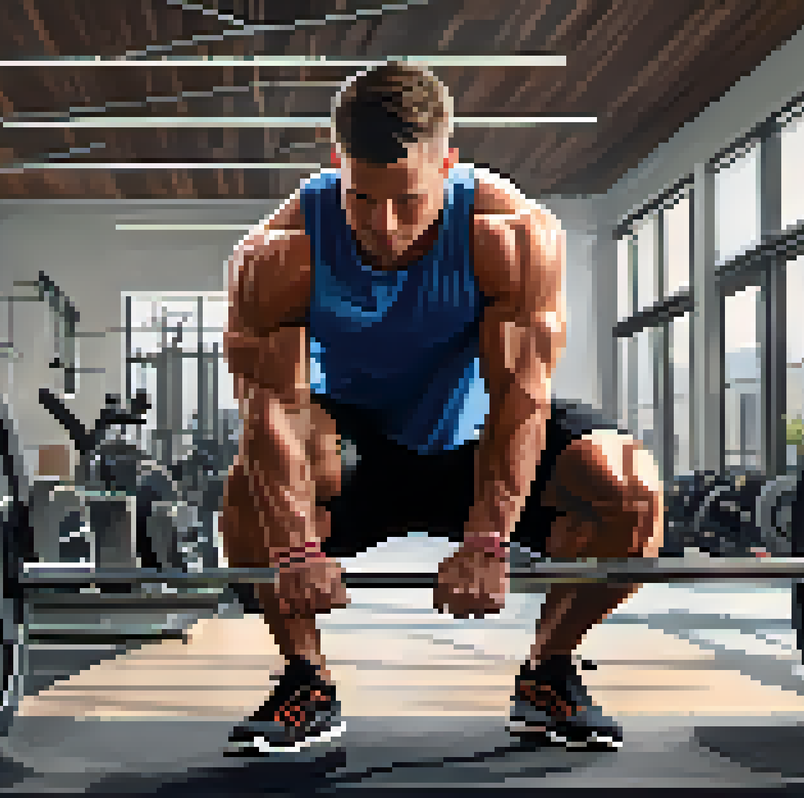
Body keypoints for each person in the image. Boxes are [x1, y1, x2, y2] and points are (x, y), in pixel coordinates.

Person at [221, 61, 664, 756]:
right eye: (362, 198)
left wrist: (489, 540)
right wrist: (296, 549)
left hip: (479, 433)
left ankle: (548, 670)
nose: (385, 227)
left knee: (631, 493)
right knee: (249, 499)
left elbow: (520, 400)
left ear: (447, 163)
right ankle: (306, 678)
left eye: (408, 200)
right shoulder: (279, 255)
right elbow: (270, 409)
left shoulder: (510, 235)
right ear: (339, 164)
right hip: (357, 443)